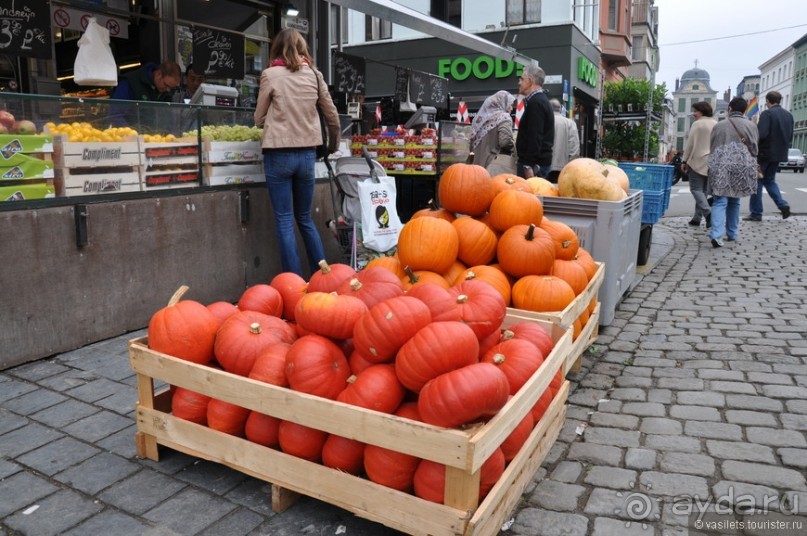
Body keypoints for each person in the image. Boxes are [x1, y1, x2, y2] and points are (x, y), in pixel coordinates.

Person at [254, 28, 340, 278]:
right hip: (306, 156)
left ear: (276, 49)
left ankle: (293, 284)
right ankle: (322, 276)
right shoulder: (314, 74)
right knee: (305, 218)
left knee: (284, 220)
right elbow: (332, 117)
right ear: (303, 49)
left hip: (277, 155)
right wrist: (332, 145)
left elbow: (259, 119)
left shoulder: (270, 75)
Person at [707, 97, 759, 248]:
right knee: (735, 200)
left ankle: (716, 235)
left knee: (720, 201)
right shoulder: (751, 125)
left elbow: (713, 147)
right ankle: (732, 233)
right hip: (743, 166)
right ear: (744, 110)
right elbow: (755, 148)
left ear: (730, 109)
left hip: (722, 165)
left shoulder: (719, 125)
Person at [745, 90, 792, 221]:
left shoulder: (767, 114)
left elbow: (762, 134)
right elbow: (790, 136)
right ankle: (782, 204)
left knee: (757, 181)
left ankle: (756, 213)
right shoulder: (788, 115)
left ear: (767, 101)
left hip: (765, 153)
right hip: (779, 154)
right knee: (770, 180)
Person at [515, 65, 554, 179]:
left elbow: (535, 136)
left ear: (530, 81)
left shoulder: (536, 103)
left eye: (522, 79)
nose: (519, 82)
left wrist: (528, 166)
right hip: (538, 164)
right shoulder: (539, 100)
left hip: (534, 166)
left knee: (529, 196)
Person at [682, 101, 717, 228]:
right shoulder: (715, 123)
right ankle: (697, 218)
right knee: (703, 191)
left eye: (695, 111)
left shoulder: (697, 124)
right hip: (712, 161)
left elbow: (690, 144)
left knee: (696, 189)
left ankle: (708, 214)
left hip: (697, 160)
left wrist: (684, 161)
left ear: (701, 111)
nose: (694, 114)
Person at [470, 90, 515, 172]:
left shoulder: (479, 119)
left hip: (475, 167)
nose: (511, 108)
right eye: (510, 105)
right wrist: (515, 148)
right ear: (502, 103)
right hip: (493, 166)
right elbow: (505, 142)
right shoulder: (504, 118)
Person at [111, 61, 181, 102]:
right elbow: (115, 115)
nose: (168, 90)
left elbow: (170, 119)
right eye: (166, 85)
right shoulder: (130, 83)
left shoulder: (166, 93)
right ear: (158, 74)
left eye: (171, 88)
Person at [546, 98, 579, 183]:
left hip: (544, 165)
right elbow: (574, 147)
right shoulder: (570, 123)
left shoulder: (543, 120)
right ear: (560, 109)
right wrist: (571, 165)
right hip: (563, 167)